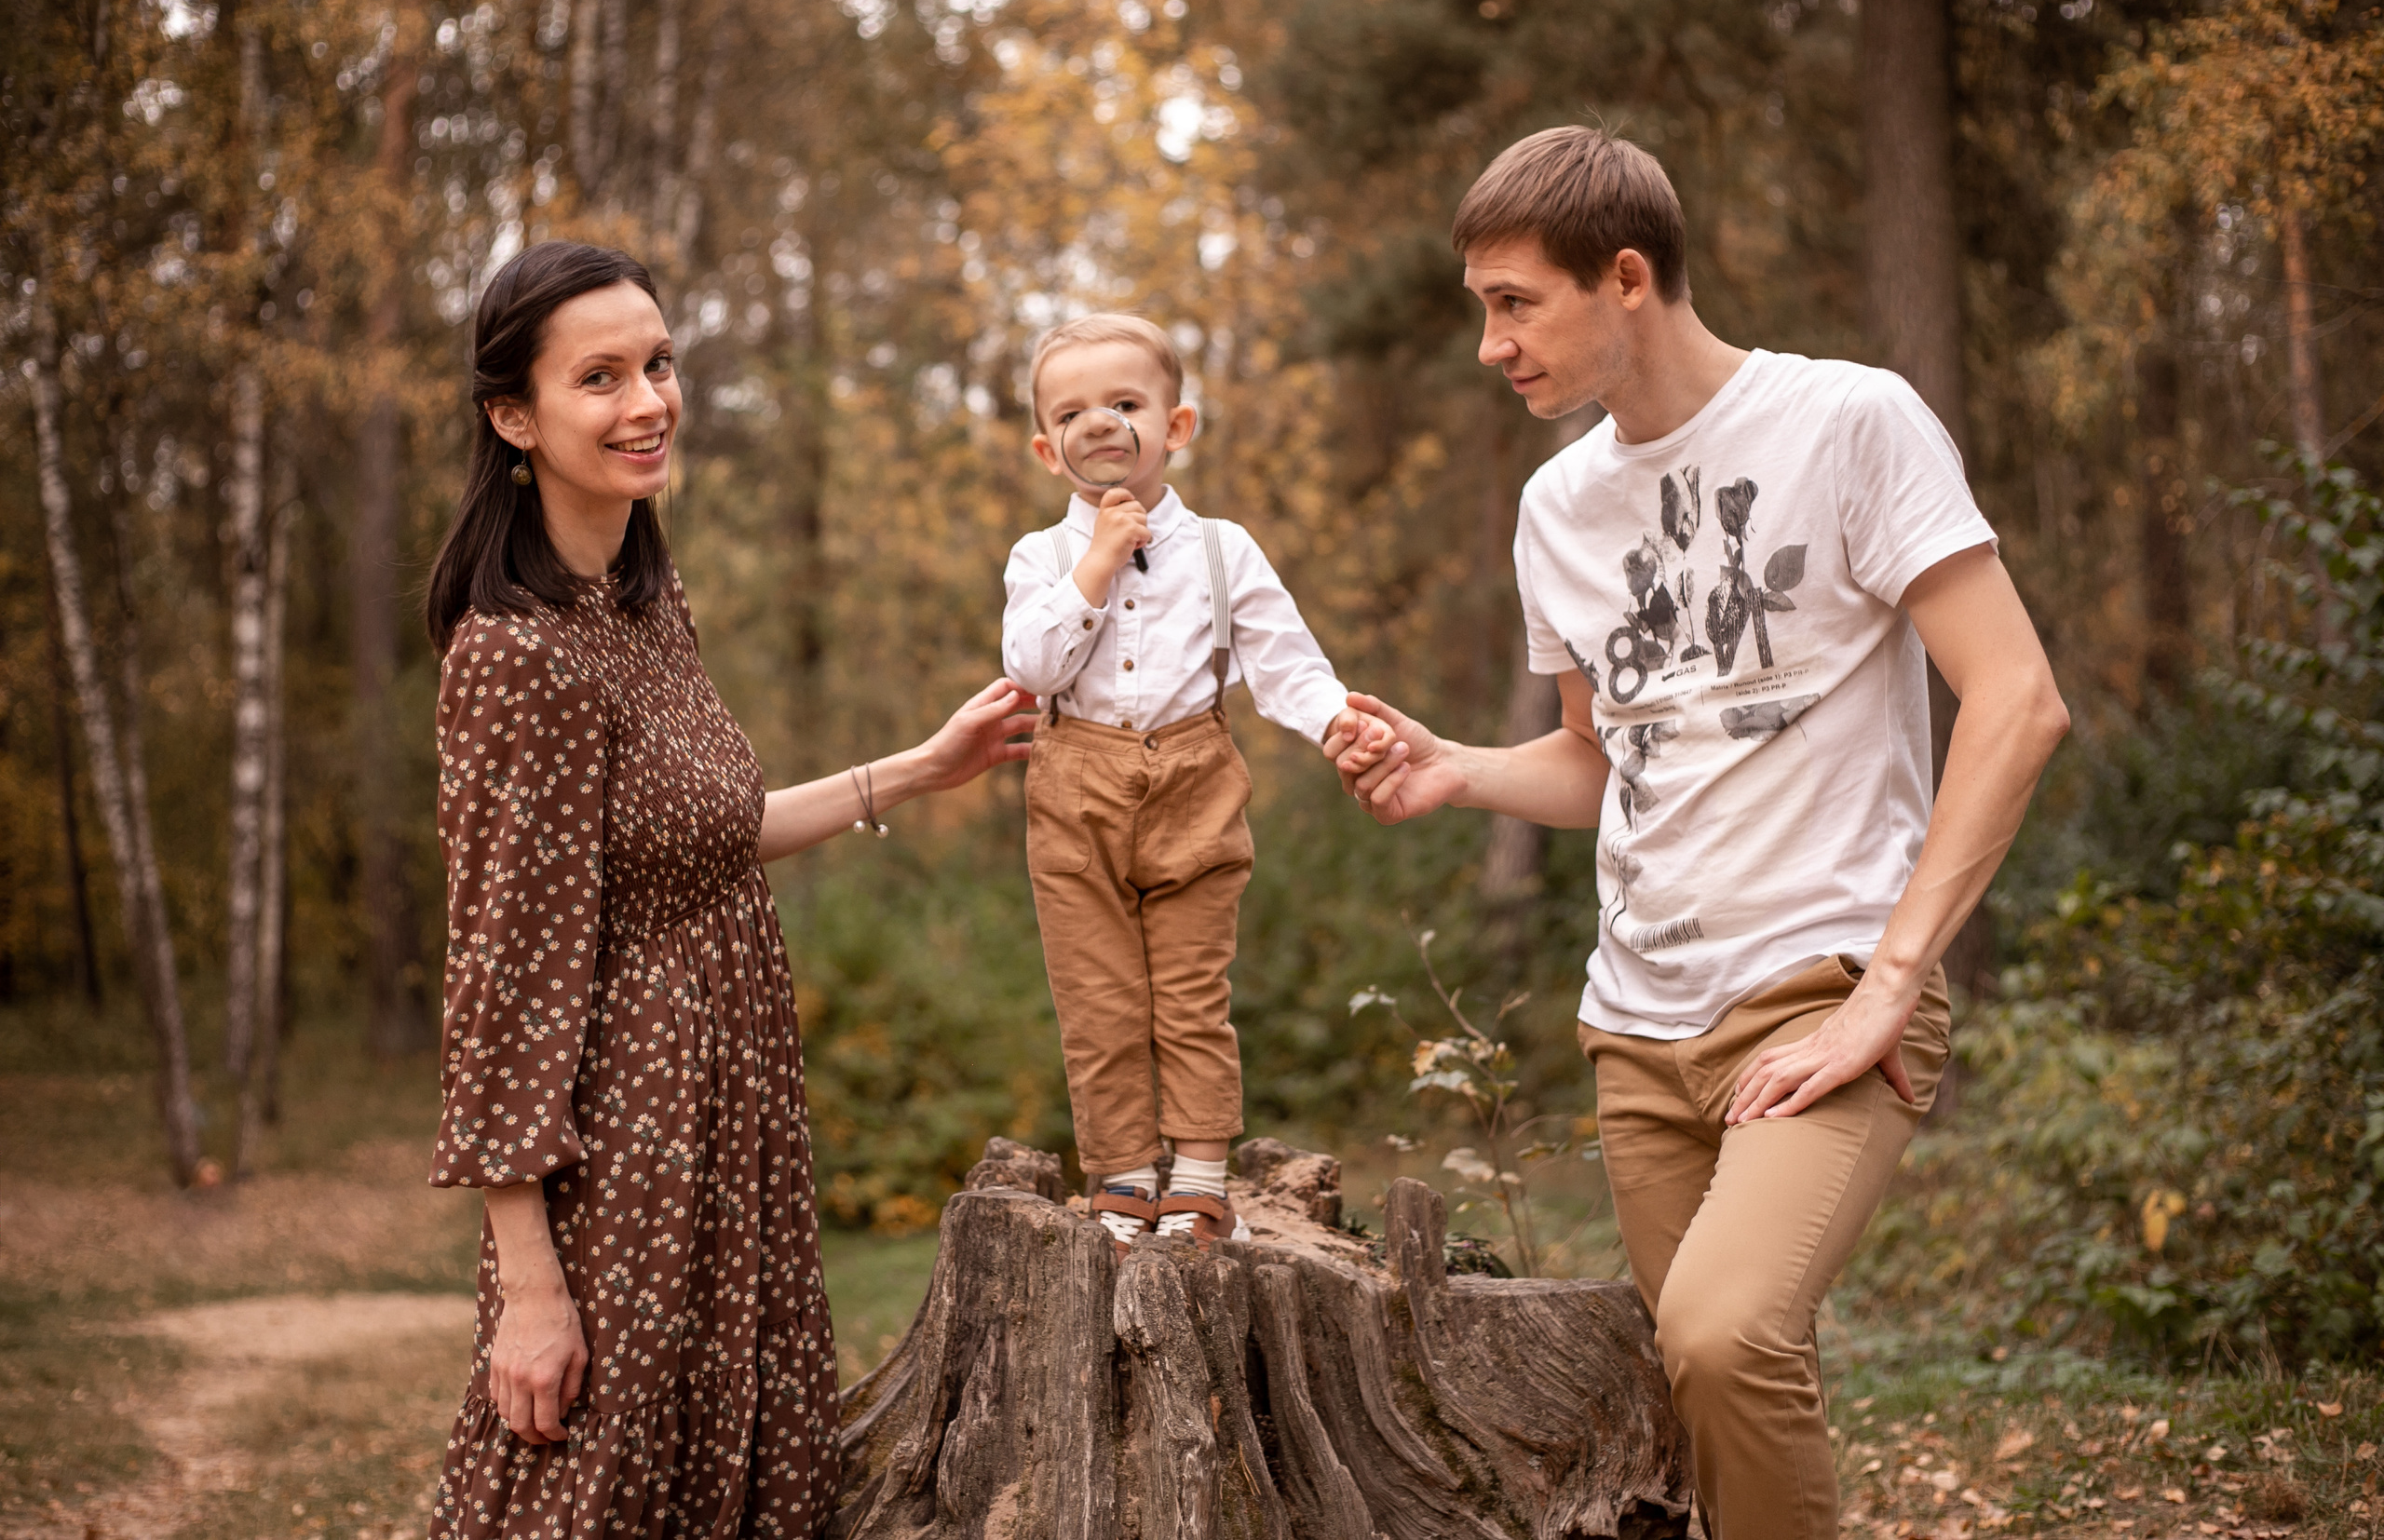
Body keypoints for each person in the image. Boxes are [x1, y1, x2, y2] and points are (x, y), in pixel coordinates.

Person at [1323, 128, 2069, 1537]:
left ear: (1625, 278)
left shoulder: (1850, 422)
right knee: (1700, 1379)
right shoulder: (1559, 505)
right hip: (1636, 1030)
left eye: (1513, 302)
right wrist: (1458, 771)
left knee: (1727, 1338)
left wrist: (1894, 986)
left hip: (1820, 992)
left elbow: (2020, 700)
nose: (1490, 345)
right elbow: (1604, 759)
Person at [420, 240, 1038, 1538]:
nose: (647, 400)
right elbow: (499, 977)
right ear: (513, 415)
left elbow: (706, 836)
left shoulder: (644, 600)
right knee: (594, 1480)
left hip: (733, 1103)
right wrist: (527, 1279)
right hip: (620, 1136)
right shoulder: (513, 652)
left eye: (657, 363)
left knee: (730, 1462)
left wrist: (920, 769)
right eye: (599, 377)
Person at [1000, 314, 1385, 1252]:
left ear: (1174, 427)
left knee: (1189, 991)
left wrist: (1333, 719)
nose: (1102, 425)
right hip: (1075, 783)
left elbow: (1283, 659)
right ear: (1051, 452)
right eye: (1076, 414)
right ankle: (1124, 1173)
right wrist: (1096, 561)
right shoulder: (1041, 560)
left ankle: (1201, 1176)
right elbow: (1033, 667)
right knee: (1098, 999)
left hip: (1194, 773)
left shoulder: (1222, 549)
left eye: (1124, 405)